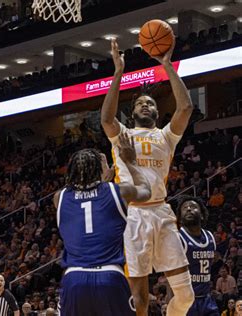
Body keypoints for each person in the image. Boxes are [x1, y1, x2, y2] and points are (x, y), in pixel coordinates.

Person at [100, 38, 195, 316]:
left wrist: (167, 65)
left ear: (156, 112)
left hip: (162, 213)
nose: (145, 105)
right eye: (140, 103)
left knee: (186, 296)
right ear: (132, 112)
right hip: (133, 217)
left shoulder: (165, 136)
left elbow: (186, 107)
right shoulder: (123, 135)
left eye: (150, 103)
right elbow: (106, 119)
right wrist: (118, 72)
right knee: (140, 301)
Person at [54, 133, 152, 315]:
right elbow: (146, 191)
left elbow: (87, 195)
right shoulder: (119, 192)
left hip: (74, 279)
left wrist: (100, 180)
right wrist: (131, 162)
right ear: (101, 170)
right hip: (110, 276)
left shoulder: (59, 197)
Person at [175, 195, 218, 315]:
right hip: (186, 302)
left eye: (193, 207)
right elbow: (170, 272)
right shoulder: (177, 238)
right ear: (180, 219)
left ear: (202, 214)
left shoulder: (210, 237)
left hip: (206, 298)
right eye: (185, 208)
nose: (188, 209)